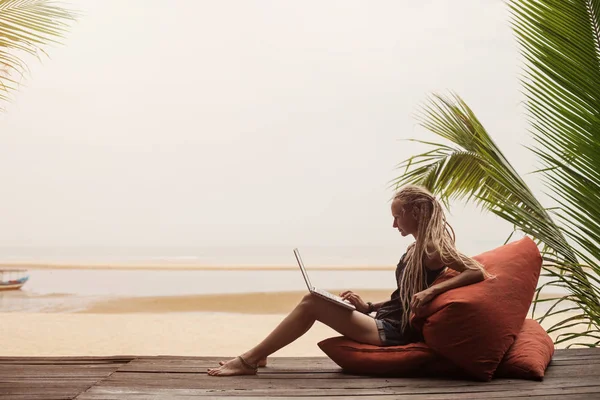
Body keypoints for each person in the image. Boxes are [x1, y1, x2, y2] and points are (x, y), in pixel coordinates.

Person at [207, 184, 489, 376]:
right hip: (383, 320)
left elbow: (476, 271)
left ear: (415, 213)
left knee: (311, 303)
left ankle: (249, 360)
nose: (394, 224)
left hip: (394, 332)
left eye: (397, 217)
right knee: (315, 299)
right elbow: (400, 298)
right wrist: (367, 306)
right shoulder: (415, 248)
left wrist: (433, 292)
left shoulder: (433, 249)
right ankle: (260, 354)